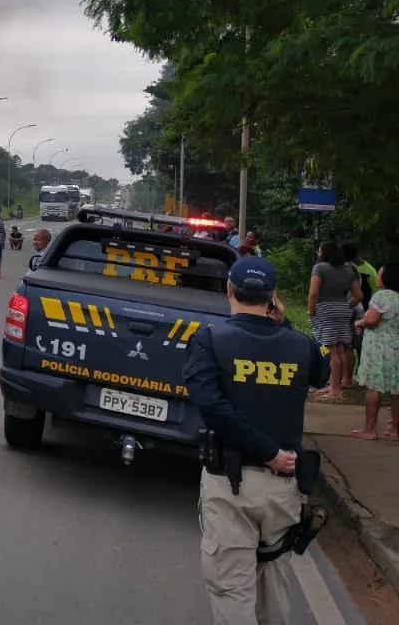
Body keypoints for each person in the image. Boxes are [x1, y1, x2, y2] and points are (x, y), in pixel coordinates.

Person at [183, 257, 329, 625]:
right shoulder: (300, 346)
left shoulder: (209, 340)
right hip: (285, 489)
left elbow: (211, 407)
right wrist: (286, 323)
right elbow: (323, 372)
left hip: (232, 486)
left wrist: (266, 453)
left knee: (233, 588)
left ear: (229, 290)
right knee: (273, 585)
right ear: (273, 297)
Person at [308, 241, 363, 400]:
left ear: (324, 253)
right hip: (343, 309)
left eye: (319, 251)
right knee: (340, 348)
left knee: (331, 351)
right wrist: (346, 305)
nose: (318, 253)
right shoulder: (347, 270)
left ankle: (334, 390)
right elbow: (359, 296)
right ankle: (336, 385)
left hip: (325, 309)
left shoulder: (319, 268)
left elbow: (313, 293)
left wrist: (312, 311)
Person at [353, 264, 399, 440]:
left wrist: (359, 323)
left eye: (379, 273)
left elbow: (372, 320)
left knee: (373, 387)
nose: (377, 276)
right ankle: (395, 429)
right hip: (396, 346)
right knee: (396, 391)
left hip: (378, 348)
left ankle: (369, 429)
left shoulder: (381, 296)